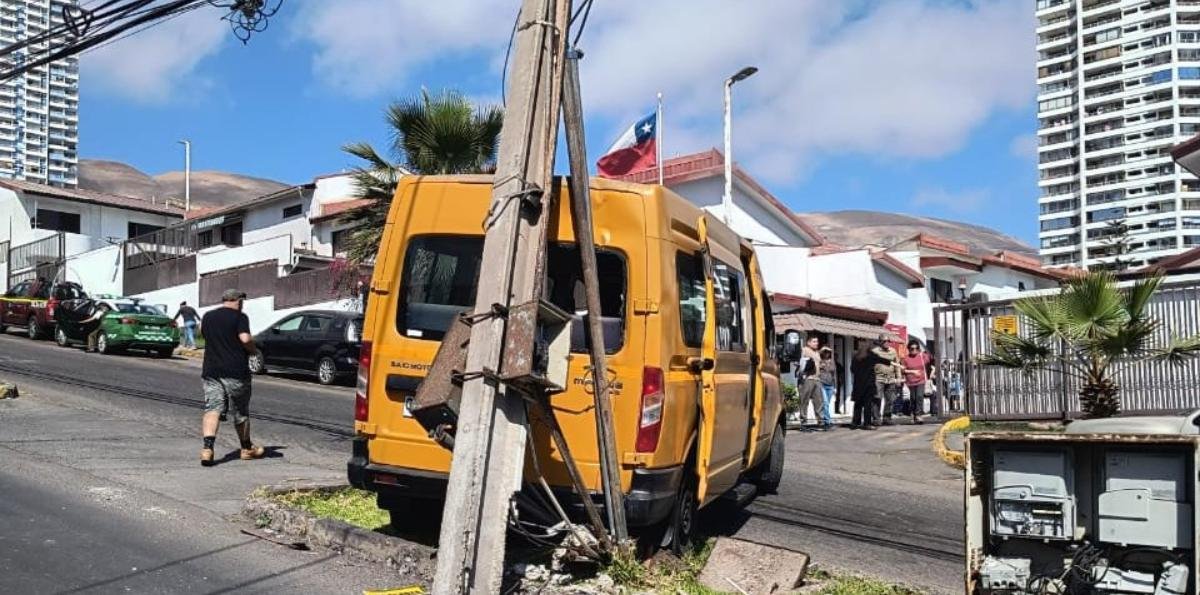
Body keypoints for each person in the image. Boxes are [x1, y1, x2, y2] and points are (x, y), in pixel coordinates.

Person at [199, 289, 264, 466]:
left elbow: (203, 334)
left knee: (213, 407)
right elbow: (244, 338)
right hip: (235, 371)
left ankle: (207, 449)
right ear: (239, 301)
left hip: (211, 371)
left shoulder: (208, 316)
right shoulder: (240, 317)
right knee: (240, 411)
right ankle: (245, 448)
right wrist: (253, 350)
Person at [850, 339, 884, 429]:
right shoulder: (871, 356)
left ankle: (855, 423)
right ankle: (867, 424)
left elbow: (852, 370)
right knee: (867, 404)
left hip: (858, 384)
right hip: (868, 384)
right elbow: (880, 361)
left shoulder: (856, 356)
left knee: (858, 404)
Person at [870, 336, 900, 426]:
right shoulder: (875, 351)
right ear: (880, 342)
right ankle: (876, 418)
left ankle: (887, 418)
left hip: (890, 379)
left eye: (888, 341)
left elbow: (897, 365)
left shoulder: (893, 351)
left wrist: (898, 377)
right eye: (884, 341)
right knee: (877, 398)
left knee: (890, 399)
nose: (887, 343)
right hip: (878, 378)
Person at [903, 339, 935, 424]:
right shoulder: (906, 358)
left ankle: (918, 415)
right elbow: (903, 370)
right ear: (908, 349)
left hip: (921, 380)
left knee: (919, 396)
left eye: (916, 348)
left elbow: (931, 359)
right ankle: (913, 414)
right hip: (910, 381)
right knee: (913, 398)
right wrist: (912, 372)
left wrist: (923, 352)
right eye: (912, 348)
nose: (914, 350)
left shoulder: (922, 356)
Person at [795, 357, 828, 431]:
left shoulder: (817, 354)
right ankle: (803, 423)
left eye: (816, 343)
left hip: (817, 379)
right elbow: (799, 366)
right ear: (808, 344)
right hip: (807, 379)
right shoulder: (804, 351)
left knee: (819, 401)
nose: (816, 344)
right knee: (804, 401)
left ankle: (821, 423)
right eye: (814, 343)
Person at [818, 347, 837, 426]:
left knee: (827, 403)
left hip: (830, 384)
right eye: (825, 352)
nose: (827, 353)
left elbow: (834, 375)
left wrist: (835, 387)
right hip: (822, 383)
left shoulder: (832, 362)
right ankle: (827, 420)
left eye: (828, 352)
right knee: (825, 402)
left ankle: (824, 418)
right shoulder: (819, 361)